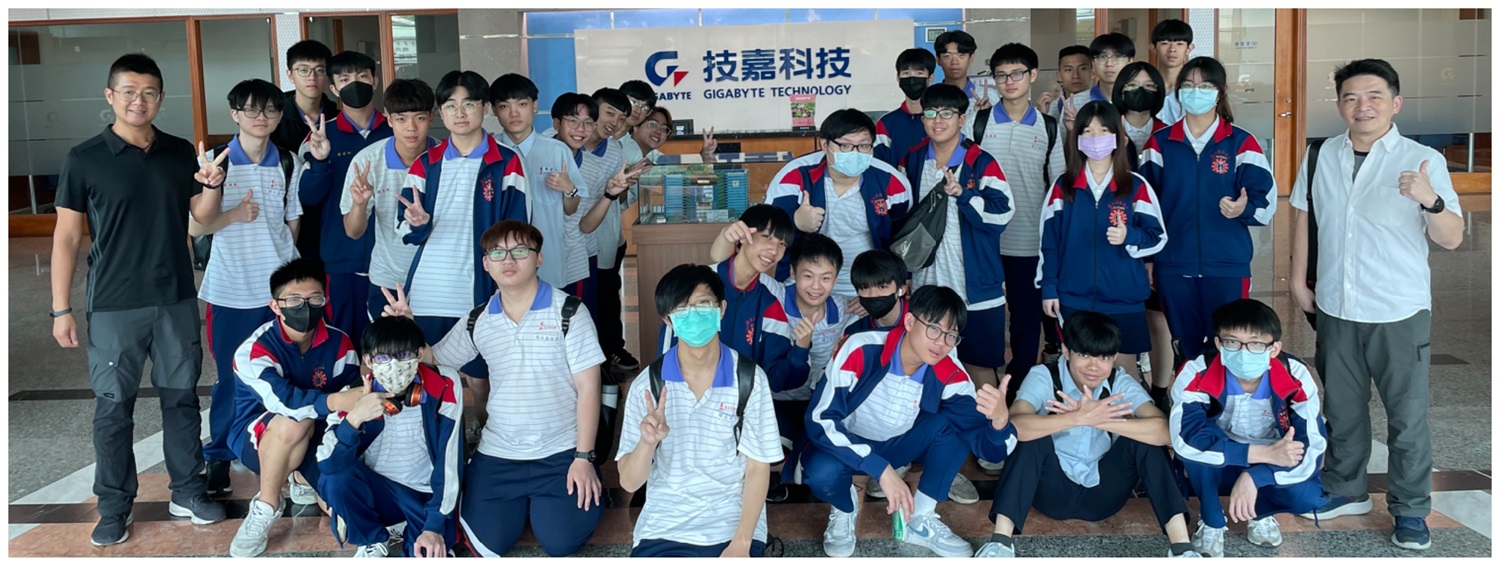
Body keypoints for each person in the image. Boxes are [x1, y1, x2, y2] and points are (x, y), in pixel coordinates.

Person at [52, 52, 228, 546]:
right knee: (113, 410)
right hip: (113, 305)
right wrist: (61, 308)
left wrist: (212, 186)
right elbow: (66, 237)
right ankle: (113, 507)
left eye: (149, 92)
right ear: (110, 96)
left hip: (174, 298)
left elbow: (202, 216)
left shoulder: (178, 152)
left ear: (161, 98)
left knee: (181, 401)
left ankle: (187, 492)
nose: (138, 101)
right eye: (129, 92)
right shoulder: (84, 158)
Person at [1289, 58, 1464, 551]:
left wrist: (1430, 199)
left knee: (1407, 417)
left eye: (1374, 97)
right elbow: (1303, 215)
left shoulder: (1420, 159)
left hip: (1397, 310)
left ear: (1395, 103)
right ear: (1339, 104)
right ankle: (1347, 488)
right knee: (1342, 408)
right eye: (1351, 97)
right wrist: (1298, 282)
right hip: (1337, 304)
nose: (1362, 106)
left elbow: (1452, 237)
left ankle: (1410, 509)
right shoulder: (1321, 155)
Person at [408, 220, 606, 557]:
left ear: (539, 258)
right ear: (486, 264)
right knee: (488, 543)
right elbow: (434, 358)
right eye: (497, 253)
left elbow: (589, 388)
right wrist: (406, 328)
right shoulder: (479, 319)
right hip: (498, 454)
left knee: (560, 542)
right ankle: (525, 505)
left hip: (560, 453)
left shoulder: (569, 312)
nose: (508, 260)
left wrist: (583, 457)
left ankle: (548, 502)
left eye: (520, 251)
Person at [805, 285, 1018, 558]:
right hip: (845, 445)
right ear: (909, 321)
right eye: (934, 329)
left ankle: (920, 519)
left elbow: (991, 451)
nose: (941, 343)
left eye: (951, 335)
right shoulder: (861, 348)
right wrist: (881, 470)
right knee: (821, 473)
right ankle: (844, 508)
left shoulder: (950, 373)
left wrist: (1000, 420)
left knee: (954, 426)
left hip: (898, 444)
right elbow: (820, 419)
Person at [976, 311, 1198, 558]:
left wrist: (1103, 420)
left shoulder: (1118, 382)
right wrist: (1076, 418)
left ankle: (1182, 549)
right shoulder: (1044, 376)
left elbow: (1166, 433)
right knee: (1030, 438)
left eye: (1103, 357)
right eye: (1084, 354)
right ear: (1066, 350)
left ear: (1114, 357)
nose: (1094, 366)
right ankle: (1000, 544)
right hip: (1050, 491)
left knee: (1146, 441)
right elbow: (1015, 426)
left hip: (1103, 496)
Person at [617, 264, 781, 557]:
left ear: (721, 309)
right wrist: (646, 443)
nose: (693, 315)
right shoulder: (649, 385)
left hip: (733, 527)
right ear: (668, 321)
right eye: (682, 308)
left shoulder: (750, 379)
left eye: (703, 304)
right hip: (665, 526)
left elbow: (758, 468)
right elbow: (629, 481)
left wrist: (741, 543)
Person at [191, 78, 305, 497]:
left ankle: (270, 446)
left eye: (271, 109)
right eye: (251, 109)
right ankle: (220, 453)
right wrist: (231, 210)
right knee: (229, 376)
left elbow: (292, 219)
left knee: (282, 370)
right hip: (230, 290)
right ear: (235, 113)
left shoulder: (288, 161)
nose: (262, 117)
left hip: (277, 293)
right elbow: (197, 225)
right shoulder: (214, 162)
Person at [1139, 56, 1276, 372]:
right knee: (1185, 349)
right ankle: (1189, 400)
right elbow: (1145, 208)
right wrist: (1148, 258)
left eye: (1205, 86)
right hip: (1173, 264)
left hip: (1227, 264)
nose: (1195, 92)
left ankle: (1225, 400)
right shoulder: (1160, 144)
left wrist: (1244, 209)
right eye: (1188, 85)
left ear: (1221, 91)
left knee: (1230, 345)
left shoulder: (1241, 143)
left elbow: (1266, 203)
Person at [228, 258, 364, 558]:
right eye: (293, 300)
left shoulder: (340, 343)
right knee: (294, 423)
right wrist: (334, 401)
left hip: (321, 431)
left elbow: (351, 395)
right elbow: (286, 403)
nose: (305, 307)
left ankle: (301, 477)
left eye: (314, 299)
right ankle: (266, 505)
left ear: (325, 300)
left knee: (344, 515)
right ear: (275, 306)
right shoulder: (254, 350)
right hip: (260, 437)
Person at [1171, 299, 1326, 557]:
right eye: (1232, 342)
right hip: (1222, 457)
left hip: (1272, 455)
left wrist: (1256, 476)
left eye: (1255, 344)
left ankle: (1260, 512)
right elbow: (1185, 439)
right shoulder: (1196, 371)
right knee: (1199, 442)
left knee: (1306, 496)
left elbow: (1312, 447)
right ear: (1218, 344)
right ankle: (1211, 520)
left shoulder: (1296, 375)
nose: (1243, 352)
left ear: (1274, 348)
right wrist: (1259, 455)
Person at [963, 43, 1066, 400]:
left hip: (1027, 240)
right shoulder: (977, 123)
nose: (1009, 81)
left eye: (1017, 73)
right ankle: (978, 384)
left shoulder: (1049, 127)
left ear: (1033, 75)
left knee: (1026, 316)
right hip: (982, 239)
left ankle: (1019, 386)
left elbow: (1057, 189)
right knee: (981, 314)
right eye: (1002, 75)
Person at [395, 70, 527, 346]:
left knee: (480, 368)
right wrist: (418, 225)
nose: (460, 113)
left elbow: (519, 231)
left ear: (485, 107)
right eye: (450, 106)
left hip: (482, 291)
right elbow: (403, 229)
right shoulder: (426, 163)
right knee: (427, 363)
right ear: (441, 114)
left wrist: (506, 284)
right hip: (428, 293)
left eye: (468, 104)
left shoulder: (506, 161)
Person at [1038, 100, 1167, 381]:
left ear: (1118, 137)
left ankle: (1128, 412)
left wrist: (1129, 236)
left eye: (1103, 130)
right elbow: (1049, 243)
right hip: (1074, 298)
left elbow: (1157, 236)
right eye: (1087, 131)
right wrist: (1049, 287)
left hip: (1124, 298)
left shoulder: (1135, 186)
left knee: (1124, 373)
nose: (1095, 138)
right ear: (1077, 138)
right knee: (1080, 371)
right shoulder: (1063, 187)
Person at [316, 316, 463, 558]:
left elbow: (450, 459)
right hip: (377, 492)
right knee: (336, 478)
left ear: (420, 353)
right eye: (382, 358)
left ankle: (410, 525)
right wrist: (355, 419)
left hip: (425, 495)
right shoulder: (353, 394)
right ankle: (372, 538)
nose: (394, 365)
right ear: (368, 361)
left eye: (404, 355)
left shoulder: (444, 384)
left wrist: (435, 524)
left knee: (429, 553)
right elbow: (328, 464)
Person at [900, 83, 1013, 394]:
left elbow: (1002, 215)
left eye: (947, 113)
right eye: (930, 113)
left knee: (979, 366)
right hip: (926, 284)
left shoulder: (981, 162)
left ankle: (989, 422)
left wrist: (964, 195)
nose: (937, 121)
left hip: (976, 289)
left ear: (962, 119)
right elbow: (901, 221)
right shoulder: (912, 161)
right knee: (927, 363)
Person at [298, 50, 393, 349]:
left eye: (362, 76)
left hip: (392, 257)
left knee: (389, 339)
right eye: (345, 79)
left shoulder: (397, 130)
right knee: (343, 340)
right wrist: (320, 160)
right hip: (342, 258)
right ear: (334, 88)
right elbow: (308, 198)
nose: (355, 84)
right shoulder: (319, 135)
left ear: (375, 81)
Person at [765, 109, 913, 289]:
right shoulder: (794, 176)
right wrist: (795, 221)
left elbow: (903, 236)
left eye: (864, 146)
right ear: (825, 145)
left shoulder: (892, 182)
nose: (855, 153)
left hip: (865, 285)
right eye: (845, 146)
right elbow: (768, 229)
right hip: (803, 285)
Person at [339, 79, 439, 324]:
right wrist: (360, 203)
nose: (411, 128)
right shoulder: (367, 161)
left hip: (438, 277)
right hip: (388, 279)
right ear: (389, 118)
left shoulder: (446, 158)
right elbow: (353, 232)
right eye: (401, 119)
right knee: (389, 347)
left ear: (431, 117)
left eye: (419, 118)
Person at [767, 233, 850, 497]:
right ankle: (781, 470)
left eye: (825, 278)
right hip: (777, 400)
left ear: (836, 278)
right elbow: (735, 271)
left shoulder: (844, 307)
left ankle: (797, 466)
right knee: (771, 455)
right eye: (808, 276)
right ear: (792, 272)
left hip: (818, 402)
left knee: (821, 458)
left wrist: (868, 301)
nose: (816, 286)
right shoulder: (776, 295)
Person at [1111, 61, 1174, 407]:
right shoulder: (1104, 130)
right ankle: (1125, 393)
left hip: (1154, 240)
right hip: (1111, 242)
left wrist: (1151, 253)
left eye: (1150, 86)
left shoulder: (1169, 134)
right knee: (1119, 320)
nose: (1141, 91)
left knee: (1156, 319)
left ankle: (1161, 391)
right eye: (1133, 85)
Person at [577, 88, 653, 373]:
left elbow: (616, 200)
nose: (614, 122)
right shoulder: (561, 143)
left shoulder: (615, 152)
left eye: (621, 118)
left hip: (600, 240)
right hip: (565, 244)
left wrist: (623, 186)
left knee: (603, 300)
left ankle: (605, 358)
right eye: (609, 113)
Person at [690, 205, 803, 394]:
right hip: (690, 398)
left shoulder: (770, 304)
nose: (774, 250)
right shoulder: (696, 287)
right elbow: (669, 349)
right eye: (767, 237)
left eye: (782, 244)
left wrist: (801, 350)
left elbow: (776, 378)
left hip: (740, 403)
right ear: (743, 235)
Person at [490, 73, 588, 290]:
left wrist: (569, 189)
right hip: (502, 260)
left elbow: (571, 208)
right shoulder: (489, 152)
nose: (514, 113)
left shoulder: (557, 150)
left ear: (534, 105)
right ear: (494, 110)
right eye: (504, 106)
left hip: (548, 258)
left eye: (522, 104)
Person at [273, 40, 339, 261]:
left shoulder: (338, 117)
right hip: (283, 216)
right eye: (303, 70)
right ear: (290, 75)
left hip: (326, 216)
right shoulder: (274, 117)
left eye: (320, 70)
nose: (312, 77)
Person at [552, 92, 604, 317]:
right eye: (573, 120)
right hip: (536, 257)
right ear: (557, 123)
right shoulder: (535, 156)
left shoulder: (594, 169)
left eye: (588, 122)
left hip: (573, 260)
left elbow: (583, 223)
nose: (580, 129)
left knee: (575, 321)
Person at [874, 48, 938, 168]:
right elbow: (878, 164)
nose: (912, 79)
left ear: (931, 78)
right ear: (898, 78)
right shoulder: (887, 123)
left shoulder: (940, 121)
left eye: (919, 73)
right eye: (906, 73)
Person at [1063, 33, 1135, 132]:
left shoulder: (1141, 99)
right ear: (1092, 63)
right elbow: (1062, 141)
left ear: (1130, 61)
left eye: (1117, 57)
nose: (1109, 64)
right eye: (1102, 57)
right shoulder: (1074, 103)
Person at [840, 250, 911, 338]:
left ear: (902, 290)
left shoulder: (920, 322)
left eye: (882, 287)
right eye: (865, 288)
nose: (873, 294)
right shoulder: (854, 333)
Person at [933, 29, 1000, 110]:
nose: (954, 62)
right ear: (938, 60)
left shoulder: (990, 96)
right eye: (947, 56)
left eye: (961, 55)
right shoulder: (931, 97)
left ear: (971, 57)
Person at [1150, 19, 1195, 126]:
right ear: (1153, 48)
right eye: (1165, 43)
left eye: (1179, 44)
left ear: (1189, 49)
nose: (1172, 49)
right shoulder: (1145, 86)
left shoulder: (1195, 88)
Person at [1037, 45, 1094, 121]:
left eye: (1082, 68)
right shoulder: (1048, 108)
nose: (1075, 75)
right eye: (1068, 70)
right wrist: (1041, 116)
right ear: (1059, 75)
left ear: (1093, 72)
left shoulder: (1102, 104)